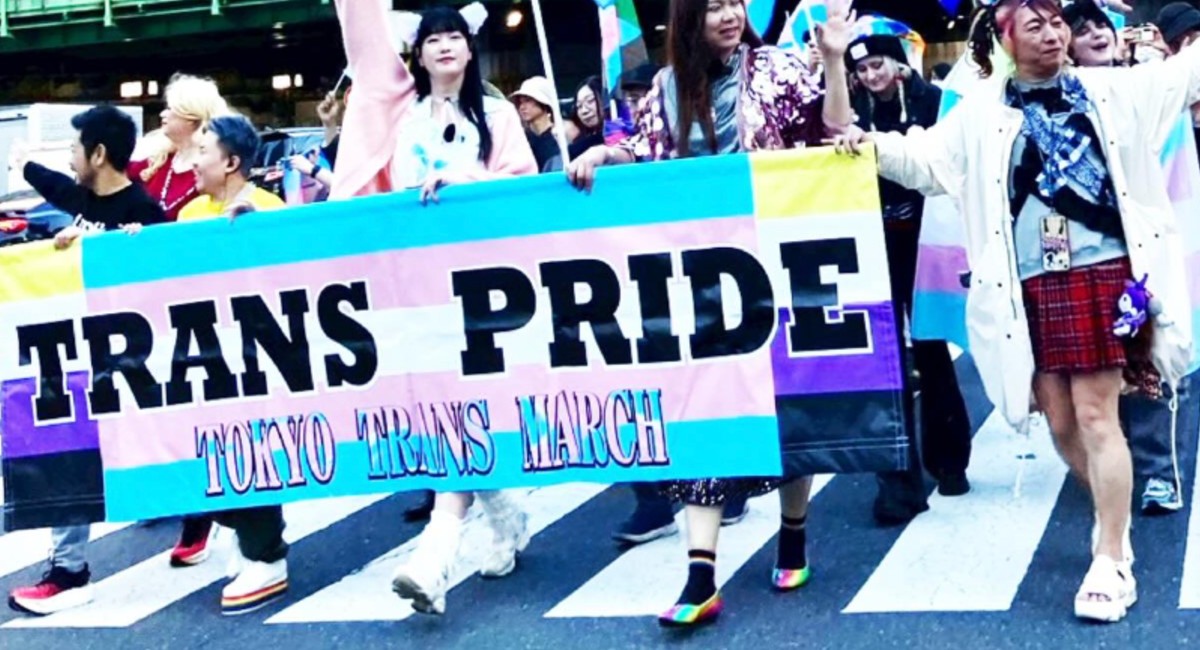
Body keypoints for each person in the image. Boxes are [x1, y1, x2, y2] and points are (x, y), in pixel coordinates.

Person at [832, 0, 1198, 623]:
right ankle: (1113, 520)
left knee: (1095, 410)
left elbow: (1184, 73)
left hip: (1105, 271)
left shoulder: (1111, 89)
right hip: (1028, 283)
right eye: (1037, 24)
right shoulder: (979, 113)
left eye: (1058, 22)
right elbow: (918, 162)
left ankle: (1111, 555)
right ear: (1004, 39)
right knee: (1059, 420)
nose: (1054, 33)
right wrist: (837, 66)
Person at [568, 0, 854, 627]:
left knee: (787, 407)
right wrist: (601, 156)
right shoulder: (670, 87)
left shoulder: (776, 67)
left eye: (733, 2)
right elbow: (643, 149)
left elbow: (833, 133)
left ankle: (794, 532)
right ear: (688, 20)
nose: (727, 14)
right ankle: (701, 573)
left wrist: (832, 61)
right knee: (701, 407)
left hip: (776, 257)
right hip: (698, 273)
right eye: (712, 6)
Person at [332, 0, 538, 616]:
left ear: (470, 50)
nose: (445, 46)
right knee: (449, 408)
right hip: (414, 288)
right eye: (433, 38)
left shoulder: (499, 116)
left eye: (455, 37)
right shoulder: (401, 120)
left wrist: (464, 186)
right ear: (417, 54)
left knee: (461, 406)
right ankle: (506, 518)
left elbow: (524, 186)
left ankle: (435, 555)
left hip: (485, 287)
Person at [7, 106, 165, 616]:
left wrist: (100, 243)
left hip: (132, 363)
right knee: (67, 450)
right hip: (78, 360)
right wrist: (24, 162)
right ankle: (69, 570)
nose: (71, 159)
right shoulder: (80, 198)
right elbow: (51, 182)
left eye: (76, 149)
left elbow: (162, 277)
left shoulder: (143, 210)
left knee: (163, 445)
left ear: (98, 154)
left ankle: (212, 517)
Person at [846, 28, 973, 527]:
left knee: (932, 348)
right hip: (871, 244)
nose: (871, 75)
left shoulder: (939, 103)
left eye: (878, 64)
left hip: (930, 241)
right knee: (883, 359)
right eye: (861, 69)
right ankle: (898, 483)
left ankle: (950, 461)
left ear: (899, 64)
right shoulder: (852, 113)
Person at [172, 114, 289, 614]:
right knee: (205, 456)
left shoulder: (270, 209)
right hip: (204, 352)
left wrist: (255, 233)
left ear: (232, 162)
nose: (193, 162)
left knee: (253, 449)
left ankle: (267, 553)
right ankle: (246, 535)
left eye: (203, 152)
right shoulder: (189, 213)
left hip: (257, 354)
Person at [128, 74, 229, 222]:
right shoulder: (155, 162)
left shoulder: (215, 168)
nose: (162, 114)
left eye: (170, 108)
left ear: (192, 118)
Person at [510, 75, 562, 170]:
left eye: (528, 101)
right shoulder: (523, 139)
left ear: (543, 102)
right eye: (520, 102)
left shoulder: (560, 136)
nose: (522, 107)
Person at [565, 76, 606, 160]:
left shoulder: (619, 136)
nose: (584, 111)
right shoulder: (576, 144)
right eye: (579, 106)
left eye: (590, 101)